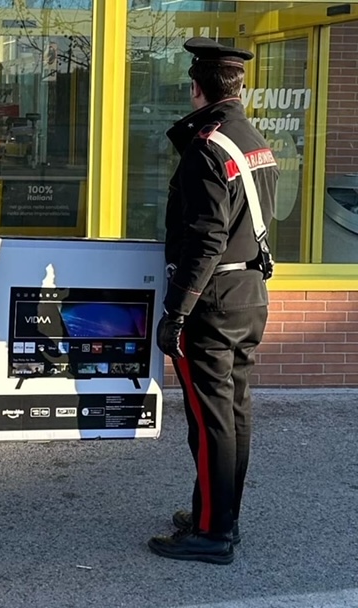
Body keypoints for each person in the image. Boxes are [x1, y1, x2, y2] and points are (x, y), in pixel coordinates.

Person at [148, 37, 279, 565]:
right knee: (234, 414)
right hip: (249, 294)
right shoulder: (252, 139)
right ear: (238, 86)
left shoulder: (208, 146)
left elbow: (205, 238)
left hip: (214, 299)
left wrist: (176, 313)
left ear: (196, 86)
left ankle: (212, 532)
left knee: (209, 420)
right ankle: (220, 515)